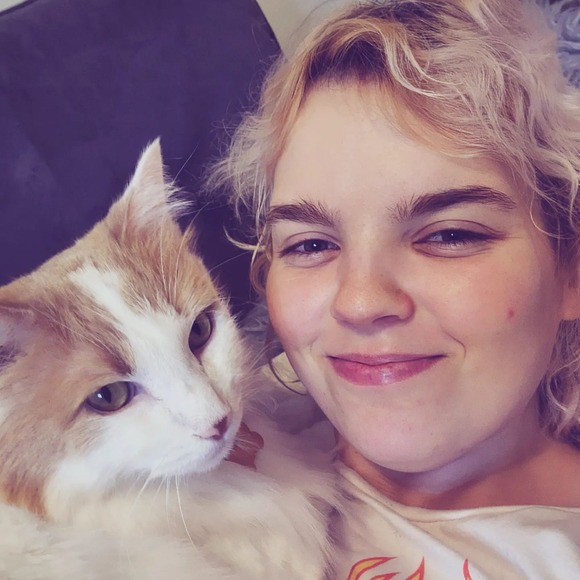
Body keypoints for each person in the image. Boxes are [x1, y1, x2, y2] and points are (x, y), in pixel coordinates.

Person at [212, 0, 580, 577]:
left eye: (450, 235)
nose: (359, 302)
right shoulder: (211, 432)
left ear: (569, 268)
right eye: (310, 244)